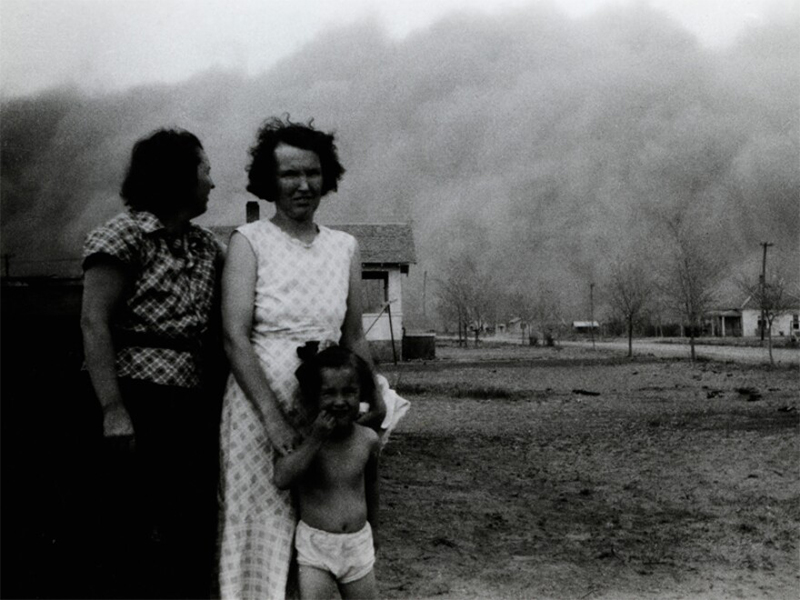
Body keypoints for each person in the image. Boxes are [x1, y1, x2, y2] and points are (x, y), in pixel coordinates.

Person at [217, 116, 386, 600]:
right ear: (269, 181)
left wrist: (374, 398)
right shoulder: (248, 242)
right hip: (258, 412)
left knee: (326, 529)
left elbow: (353, 333)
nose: (302, 184)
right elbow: (234, 336)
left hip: (329, 405)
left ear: (326, 176)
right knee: (260, 529)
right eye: (289, 174)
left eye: (312, 172)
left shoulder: (344, 247)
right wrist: (272, 420)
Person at [80, 127, 225, 599]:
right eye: (205, 169)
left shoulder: (206, 247)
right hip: (134, 403)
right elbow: (93, 324)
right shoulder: (124, 235)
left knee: (193, 533)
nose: (212, 181)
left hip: (192, 406)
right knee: (129, 536)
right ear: (178, 175)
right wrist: (112, 410)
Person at [274, 344, 380, 600]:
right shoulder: (304, 440)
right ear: (313, 396)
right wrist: (315, 440)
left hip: (357, 545)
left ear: (361, 394)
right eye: (329, 393)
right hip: (316, 548)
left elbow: (372, 488)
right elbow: (281, 478)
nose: (340, 401)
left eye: (349, 392)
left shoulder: (368, 440)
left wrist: (375, 531)